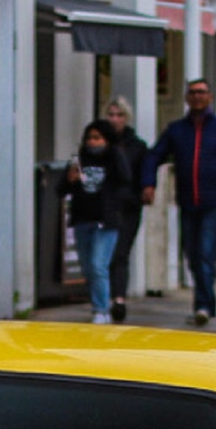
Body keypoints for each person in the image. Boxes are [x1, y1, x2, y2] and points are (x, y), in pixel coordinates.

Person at [142, 78, 216, 326]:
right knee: (191, 254)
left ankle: (204, 305)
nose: (197, 97)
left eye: (202, 92)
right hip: (188, 202)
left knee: (205, 253)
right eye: (193, 93)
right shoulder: (177, 130)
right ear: (187, 98)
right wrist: (149, 182)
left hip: (213, 202)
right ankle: (204, 302)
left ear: (210, 96)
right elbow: (155, 154)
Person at [63, 120, 133, 324]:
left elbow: (125, 182)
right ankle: (98, 305)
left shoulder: (114, 157)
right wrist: (70, 180)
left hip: (106, 221)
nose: (92, 143)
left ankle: (101, 309)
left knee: (98, 265)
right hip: (83, 219)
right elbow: (62, 189)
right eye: (89, 138)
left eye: (97, 138)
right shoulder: (78, 159)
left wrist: (114, 206)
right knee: (87, 267)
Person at [101, 97, 151, 320]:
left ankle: (118, 298)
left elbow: (144, 172)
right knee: (103, 255)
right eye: (111, 115)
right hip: (104, 205)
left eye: (119, 115)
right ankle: (105, 298)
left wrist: (146, 189)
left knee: (121, 252)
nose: (115, 119)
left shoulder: (137, 146)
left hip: (128, 205)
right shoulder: (98, 141)